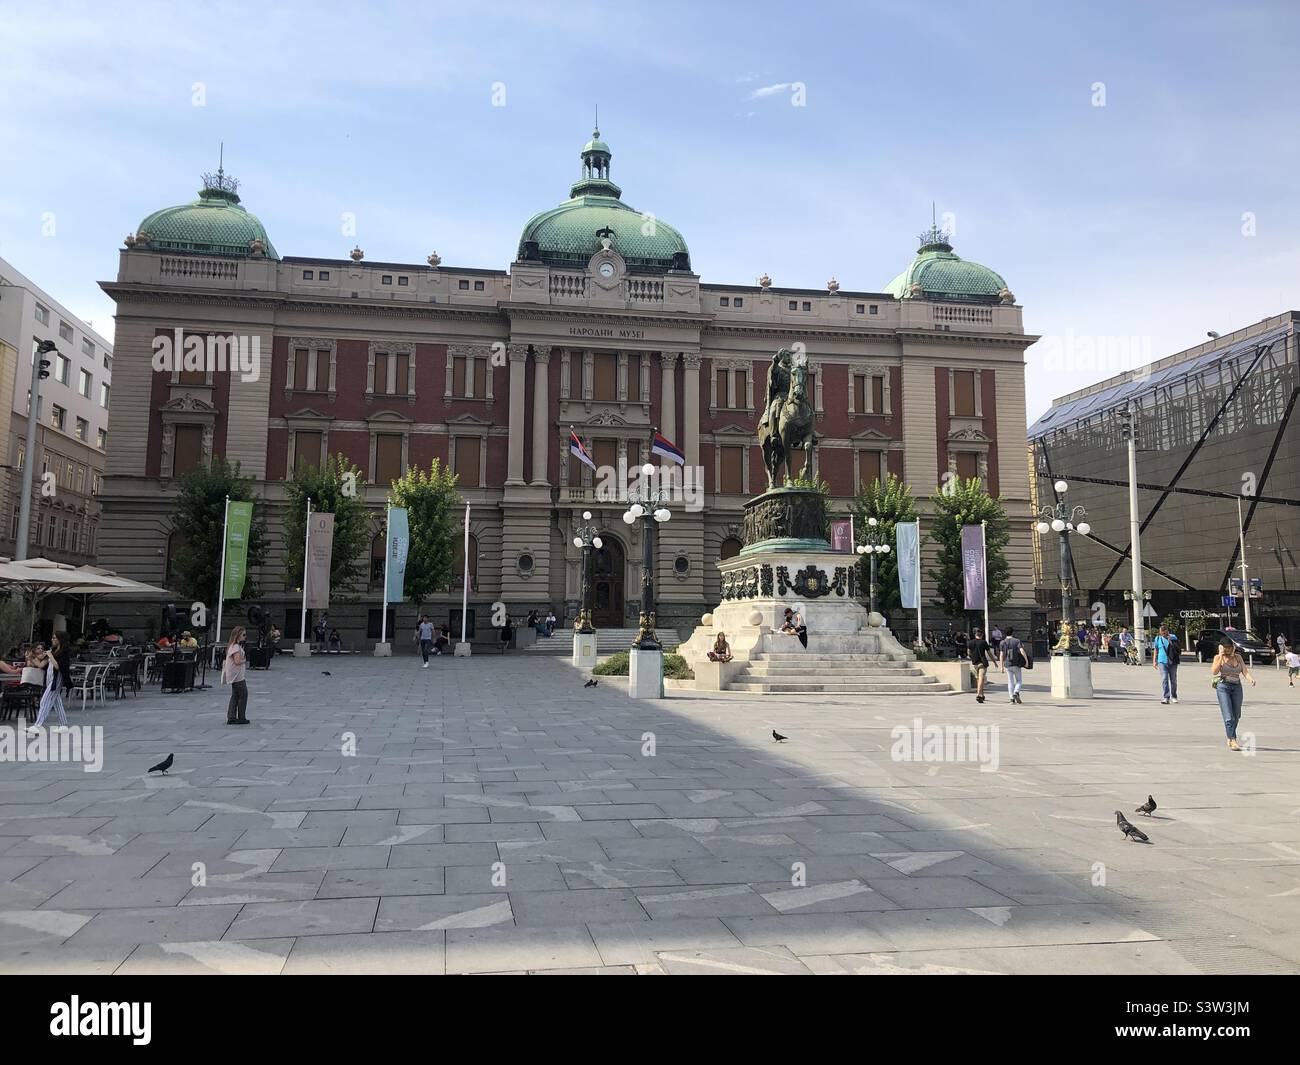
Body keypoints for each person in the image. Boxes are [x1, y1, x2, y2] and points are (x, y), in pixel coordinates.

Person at [27, 633, 70, 735]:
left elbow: (58, 667)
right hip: (50, 678)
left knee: (45, 701)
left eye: (54, 638)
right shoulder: (55, 650)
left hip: (56, 679)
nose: (52, 639)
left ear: (60, 639)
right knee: (56, 702)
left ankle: (37, 725)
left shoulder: (63, 652)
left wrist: (50, 656)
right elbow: (42, 661)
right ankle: (63, 724)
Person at [222, 625, 250, 725]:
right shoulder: (236, 647)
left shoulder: (232, 646)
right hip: (237, 675)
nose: (245, 637)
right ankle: (241, 717)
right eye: (243, 635)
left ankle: (231, 716)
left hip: (234, 675)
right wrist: (245, 660)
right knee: (243, 695)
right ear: (238, 635)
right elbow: (237, 661)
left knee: (235, 695)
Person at [999, 626, 1028, 704]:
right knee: (1019, 680)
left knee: (1010, 682)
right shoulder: (1017, 641)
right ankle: (1016, 692)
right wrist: (1026, 660)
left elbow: (1001, 655)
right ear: (1012, 632)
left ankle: (1011, 699)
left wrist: (1001, 666)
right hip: (1017, 663)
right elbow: (1022, 651)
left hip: (1007, 664)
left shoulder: (1002, 642)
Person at [1152, 624, 1180, 704]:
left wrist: (1170, 640)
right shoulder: (1157, 638)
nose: (1163, 635)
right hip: (1162, 662)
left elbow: (1177, 648)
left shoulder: (1173, 637)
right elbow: (1156, 650)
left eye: (1164, 633)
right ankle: (1166, 697)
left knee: (1173, 680)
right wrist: (1154, 661)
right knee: (1164, 679)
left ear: (1167, 631)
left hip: (1172, 661)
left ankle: (1174, 696)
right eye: (1161, 633)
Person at [969, 628, 992, 704]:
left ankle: (982, 694)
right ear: (982, 635)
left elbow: (968, 653)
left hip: (975, 663)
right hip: (982, 663)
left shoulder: (970, 642)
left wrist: (973, 657)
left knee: (978, 679)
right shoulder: (984, 642)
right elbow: (989, 653)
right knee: (981, 679)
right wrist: (994, 661)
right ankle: (979, 694)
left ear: (975, 634)